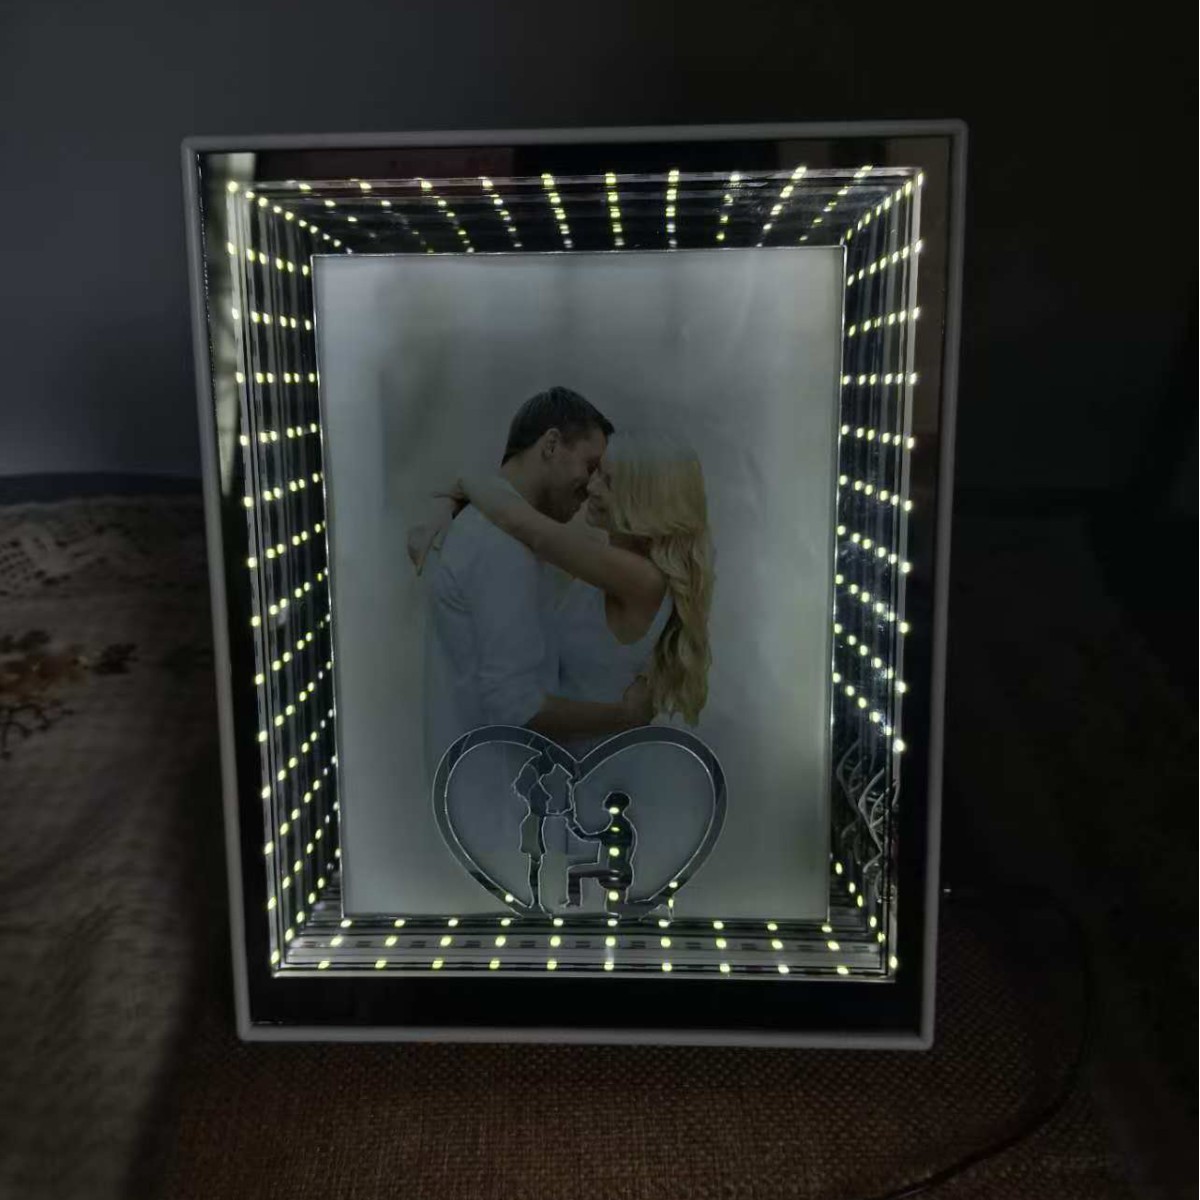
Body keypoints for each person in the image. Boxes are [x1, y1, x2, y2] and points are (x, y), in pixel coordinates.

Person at [417, 426, 714, 756]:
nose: (591, 486)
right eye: (596, 471)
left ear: (640, 500)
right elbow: (518, 519)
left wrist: (464, 483)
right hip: (568, 763)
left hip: (598, 766)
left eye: (608, 482)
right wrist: (447, 508)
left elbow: (526, 526)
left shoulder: (642, 578)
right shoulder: (605, 559)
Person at [418, 386, 653, 785]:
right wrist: (626, 717)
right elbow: (517, 707)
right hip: (501, 793)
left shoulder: (499, 534)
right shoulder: (501, 547)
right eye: (590, 465)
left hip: (496, 788)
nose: (591, 487)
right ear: (551, 444)